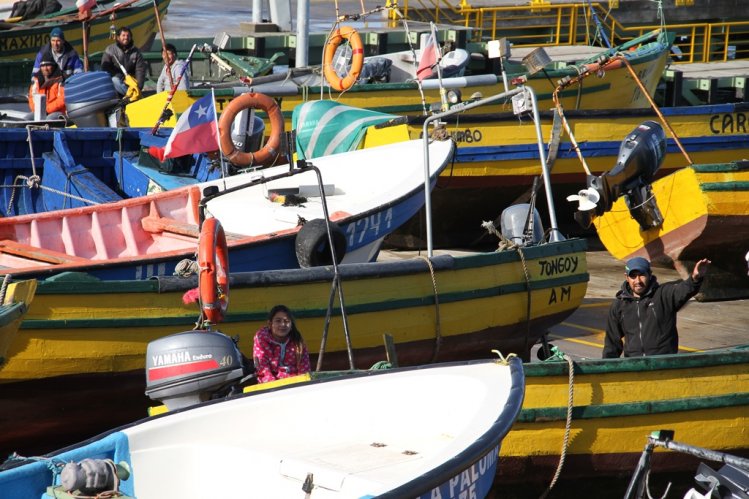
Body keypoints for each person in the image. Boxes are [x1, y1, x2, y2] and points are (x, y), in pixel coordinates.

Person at [603, 256, 710, 358]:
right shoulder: (619, 305)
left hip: (663, 364)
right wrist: (606, 370)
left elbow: (684, 290)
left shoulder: (664, 295)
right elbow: (611, 343)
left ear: (649, 275)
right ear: (627, 277)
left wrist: (695, 278)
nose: (638, 281)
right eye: (633, 276)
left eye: (642, 275)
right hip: (635, 365)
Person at [252, 305, 311, 383]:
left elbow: (304, 369)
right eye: (278, 321)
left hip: (295, 384)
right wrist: (274, 388)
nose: (283, 325)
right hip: (270, 386)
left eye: (286, 321)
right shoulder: (261, 339)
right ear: (270, 324)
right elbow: (262, 369)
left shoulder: (298, 342)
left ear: (291, 325)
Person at [100, 26, 148, 96]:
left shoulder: (136, 52)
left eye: (128, 36)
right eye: (123, 35)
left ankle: (134, 93)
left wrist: (139, 87)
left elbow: (140, 70)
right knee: (114, 80)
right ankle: (131, 96)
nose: (126, 38)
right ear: (118, 37)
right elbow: (105, 68)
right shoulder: (110, 49)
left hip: (130, 82)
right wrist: (118, 76)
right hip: (115, 81)